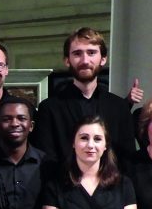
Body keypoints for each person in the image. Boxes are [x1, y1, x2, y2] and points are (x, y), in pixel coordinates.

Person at [31, 28, 136, 164]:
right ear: (67, 61)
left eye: (91, 53)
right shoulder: (49, 108)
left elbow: (127, 159)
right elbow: (47, 160)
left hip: (112, 184)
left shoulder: (119, 107)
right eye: (77, 54)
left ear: (103, 59)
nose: (85, 60)